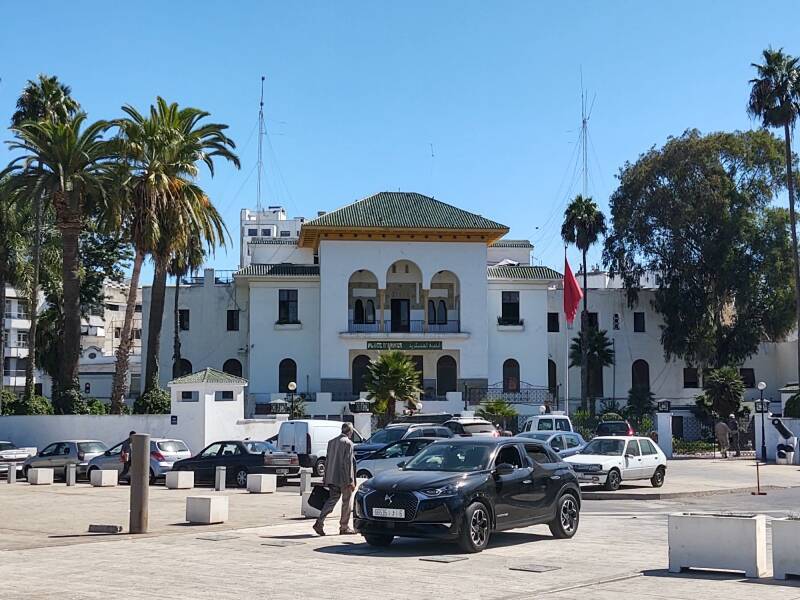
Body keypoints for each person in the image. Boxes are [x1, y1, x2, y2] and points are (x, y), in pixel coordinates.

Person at [313, 422, 357, 536]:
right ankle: (344, 527)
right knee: (346, 503)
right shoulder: (348, 443)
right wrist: (350, 480)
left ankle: (320, 522)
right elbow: (348, 463)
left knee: (331, 501)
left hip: (332, 477)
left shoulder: (331, 442)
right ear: (350, 431)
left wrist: (325, 477)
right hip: (344, 479)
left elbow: (327, 461)